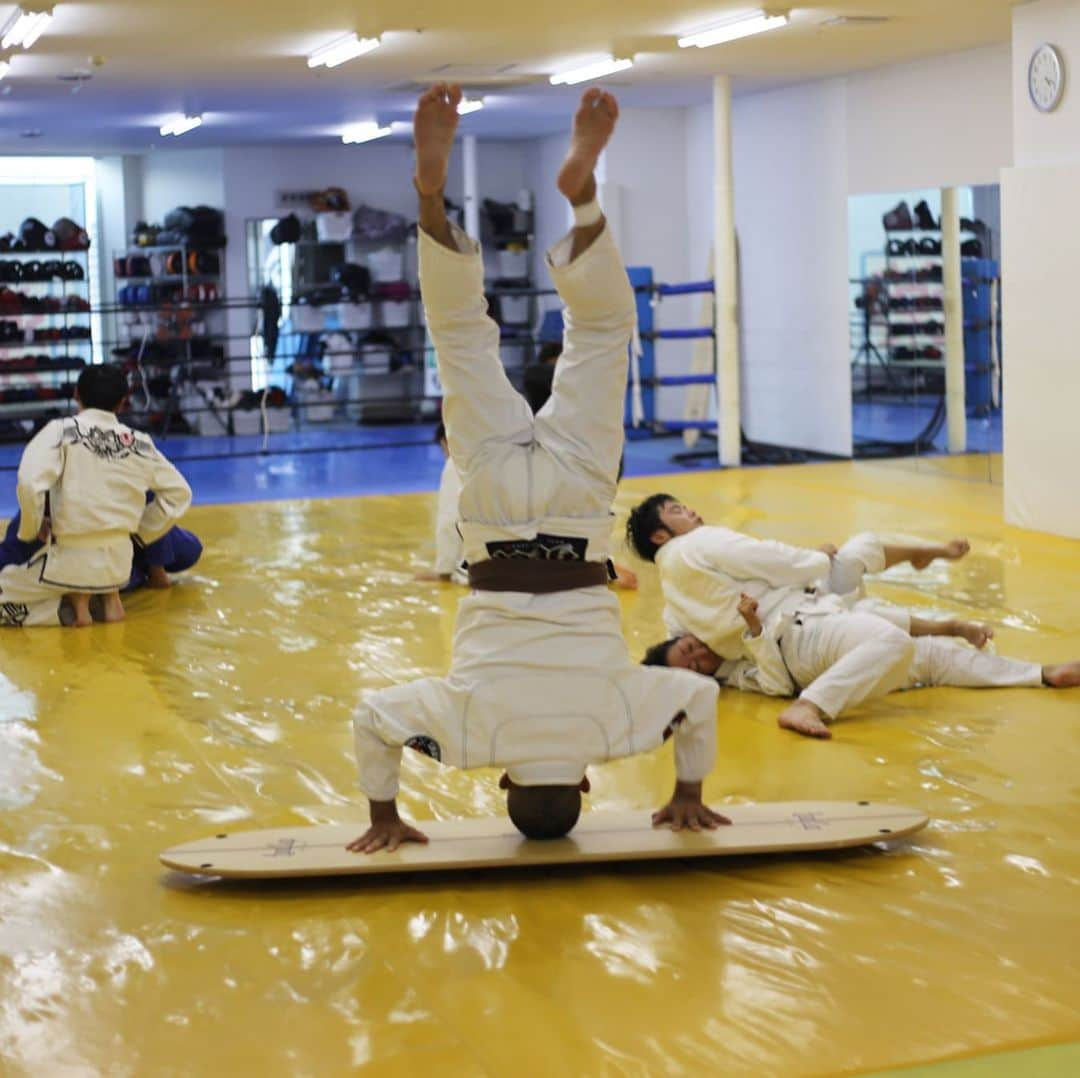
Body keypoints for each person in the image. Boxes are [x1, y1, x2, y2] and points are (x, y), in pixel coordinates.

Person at [349, 84, 726, 854]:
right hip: (489, 519)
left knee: (601, 331)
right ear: (504, 782)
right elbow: (373, 720)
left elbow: (698, 698)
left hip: (580, 514)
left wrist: (687, 793)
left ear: (585, 781)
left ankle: (586, 208)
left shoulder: (618, 725)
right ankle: (429, 197)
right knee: (458, 334)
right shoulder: (469, 739)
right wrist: (384, 816)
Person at [645, 593, 1080, 738]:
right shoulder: (739, 672)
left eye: (688, 647)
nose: (700, 654)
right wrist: (756, 630)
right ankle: (811, 706)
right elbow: (778, 684)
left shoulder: (713, 622)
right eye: (694, 662)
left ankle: (1042, 674)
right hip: (813, 656)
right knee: (895, 643)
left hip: (828, 623)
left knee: (931, 657)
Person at [0, 363, 192, 627]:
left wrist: (31, 528)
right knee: (100, 554)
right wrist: (139, 533)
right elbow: (179, 494)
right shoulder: (139, 442)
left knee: (59, 568)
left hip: (69, 558)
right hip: (119, 563)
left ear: (77, 394)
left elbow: (30, 484)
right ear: (124, 402)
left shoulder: (59, 431)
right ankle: (108, 603)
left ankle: (65, 611)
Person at [1, 504, 203, 592]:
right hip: (76, 531)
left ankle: (144, 567)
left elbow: (155, 500)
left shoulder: (125, 453)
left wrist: (157, 569)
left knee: (189, 549)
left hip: (126, 530)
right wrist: (36, 517)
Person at [414, 420, 468, 584]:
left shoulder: (455, 465)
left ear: (446, 441)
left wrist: (443, 572)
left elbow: (449, 522)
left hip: (476, 572)